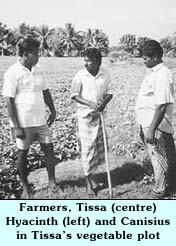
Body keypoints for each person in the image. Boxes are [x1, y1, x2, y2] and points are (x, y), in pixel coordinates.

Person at [2, 38, 57, 198]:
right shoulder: (12, 73)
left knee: (48, 148)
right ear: (26, 54)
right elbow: (9, 101)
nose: (39, 56)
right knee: (23, 153)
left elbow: (45, 90)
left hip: (41, 119)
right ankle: (26, 187)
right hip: (24, 122)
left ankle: (52, 182)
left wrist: (52, 110)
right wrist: (17, 126)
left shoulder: (38, 69)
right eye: (36, 53)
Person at [135, 39, 176, 199]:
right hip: (148, 123)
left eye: (145, 58)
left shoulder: (162, 75)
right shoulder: (153, 73)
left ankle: (160, 191)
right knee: (158, 157)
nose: (144, 61)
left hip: (156, 125)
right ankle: (168, 185)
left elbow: (162, 105)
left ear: (156, 57)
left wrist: (151, 129)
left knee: (160, 158)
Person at [71, 48, 113, 196]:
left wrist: (104, 102)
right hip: (86, 117)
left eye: (88, 61)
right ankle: (88, 183)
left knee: (98, 149)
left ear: (96, 62)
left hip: (100, 116)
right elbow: (74, 95)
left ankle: (92, 177)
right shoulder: (80, 75)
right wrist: (90, 104)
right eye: (85, 61)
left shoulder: (105, 73)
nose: (85, 64)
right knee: (88, 150)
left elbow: (110, 92)